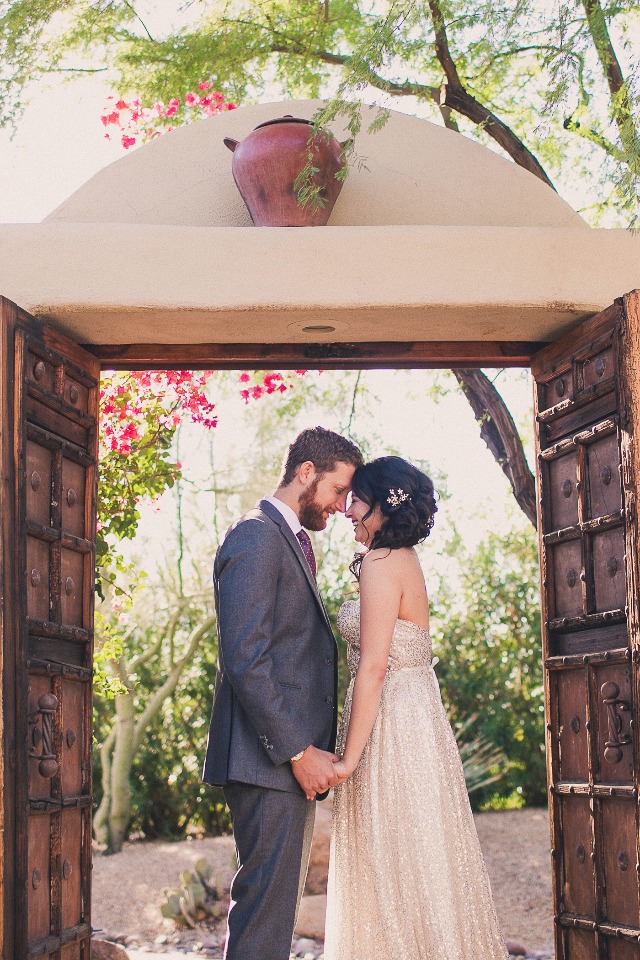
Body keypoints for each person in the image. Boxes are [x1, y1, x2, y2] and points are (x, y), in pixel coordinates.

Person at [325, 455, 508, 960]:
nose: (348, 511)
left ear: (383, 506)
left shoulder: (382, 565)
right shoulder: (402, 559)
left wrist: (347, 760)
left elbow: (374, 668)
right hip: (414, 714)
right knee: (419, 855)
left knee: (392, 855)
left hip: (391, 723)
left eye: (356, 500)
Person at [202, 426, 363, 960]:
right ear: (305, 473)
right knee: (265, 907)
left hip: (277, 758)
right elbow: (246, 659)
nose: (342, 506)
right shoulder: (254, 535)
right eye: (338, 490)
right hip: (266, 758)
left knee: (272, 906)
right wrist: (298, 750)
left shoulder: (290, 539)